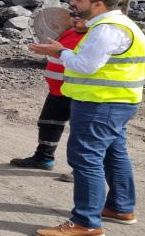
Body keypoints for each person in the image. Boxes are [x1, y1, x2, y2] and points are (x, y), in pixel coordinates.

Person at [28, 0, 145, 236]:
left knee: (85, 157)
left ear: (98, 5)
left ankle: (85, 223)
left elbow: (85, 66)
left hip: (100, 104)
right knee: (114, 154)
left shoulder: (106, 29)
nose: (73, 3)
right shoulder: (120, 25)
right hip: (116, 102)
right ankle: (120, 207)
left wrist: (60, 51)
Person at [9, 17, 87, 170]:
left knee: (82, 131)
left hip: (78, 92)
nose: (76, 18)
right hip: (57, 90)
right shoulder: (69, 32)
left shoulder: (93, 38)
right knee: (48, 124)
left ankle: (82, 170)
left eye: (82, 16)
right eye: (74, 14)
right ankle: (43, 158)